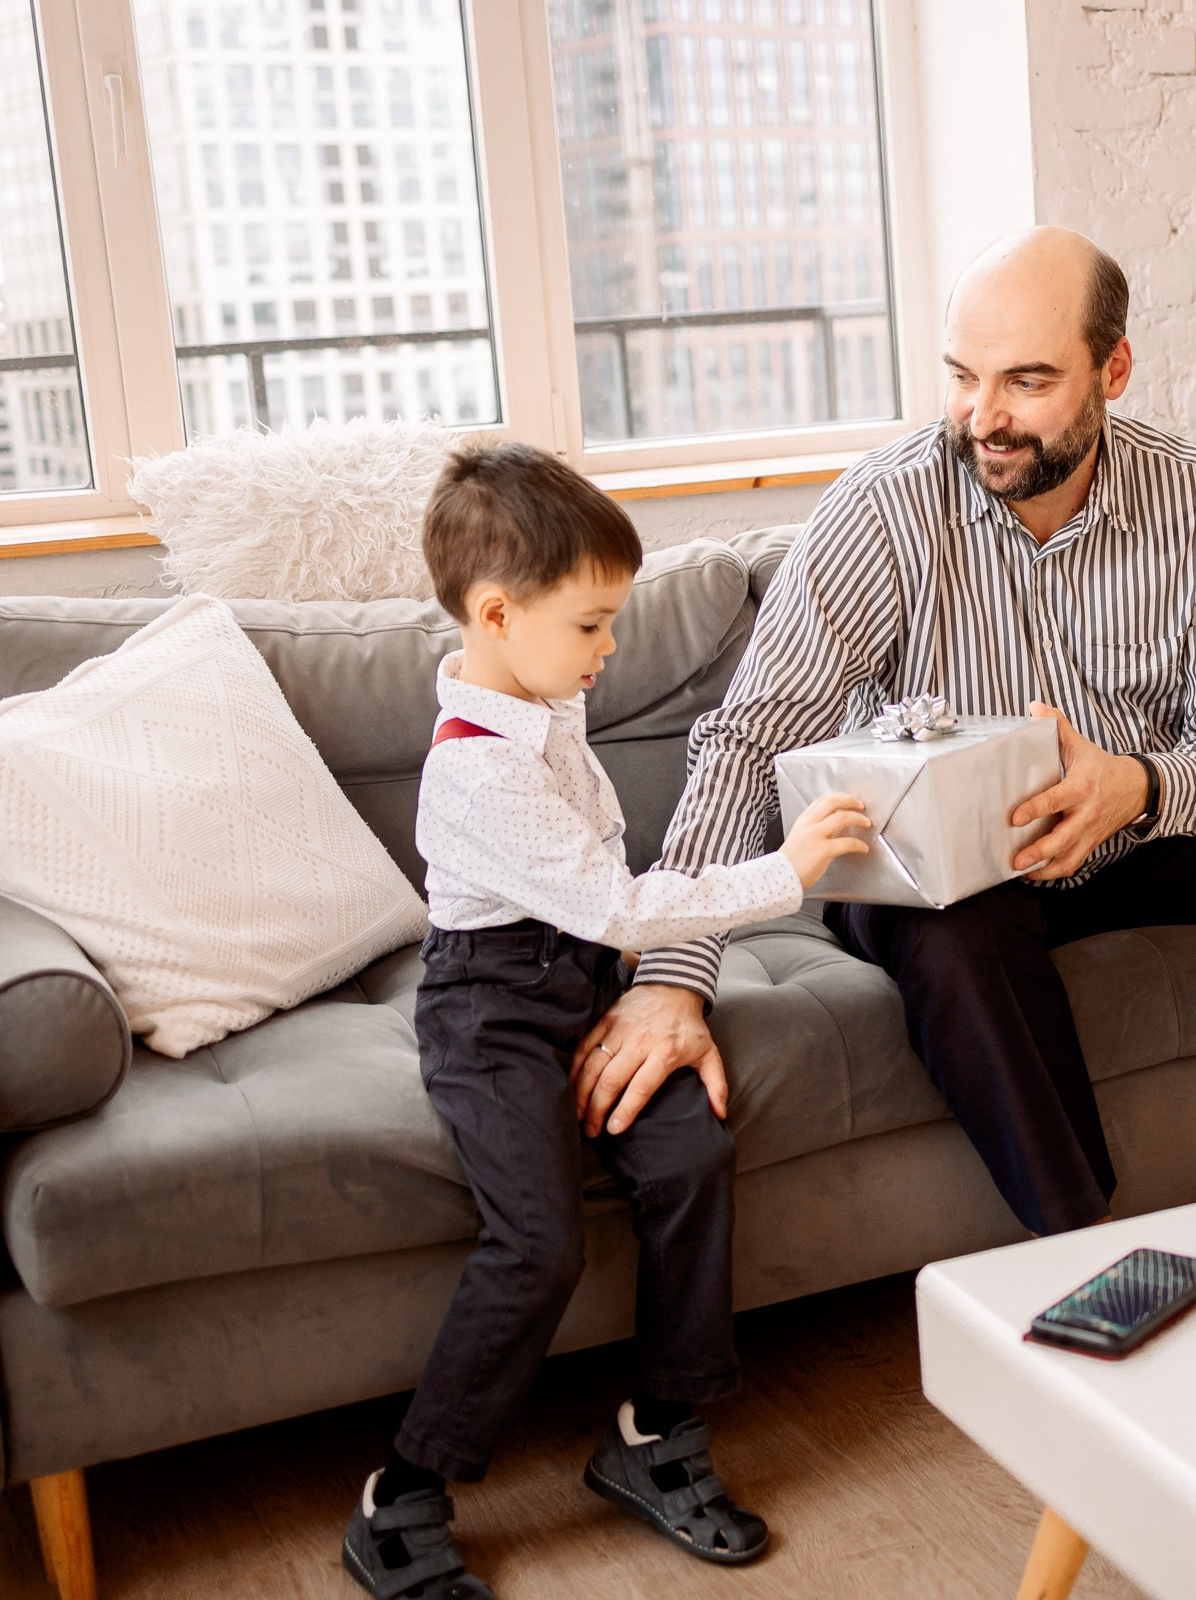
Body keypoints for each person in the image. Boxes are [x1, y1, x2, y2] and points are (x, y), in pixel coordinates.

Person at [573, 226, 1196, 1239]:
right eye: (963, 376)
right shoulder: (885, 510)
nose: (983, 418)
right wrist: (671, 979)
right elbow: (750, 739)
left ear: (1112, 369)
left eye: (1028, 381)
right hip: (949, 872)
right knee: (947, 927)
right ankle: (1091, 1250)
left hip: (1139, 832)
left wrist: (1135, 786)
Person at [342, 441, 870, 1600]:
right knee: (537, 1240)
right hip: (488, 1011)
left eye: (614, 620)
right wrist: (782, 872)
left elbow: (601, 907)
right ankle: (406, 1492)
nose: (609, 646)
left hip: (578, 985)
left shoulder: (544, 697)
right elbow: (620, 906)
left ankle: (654, 1431)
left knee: (689, 1156)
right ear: (496, 613)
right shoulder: (476, 771)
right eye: (590, 624)